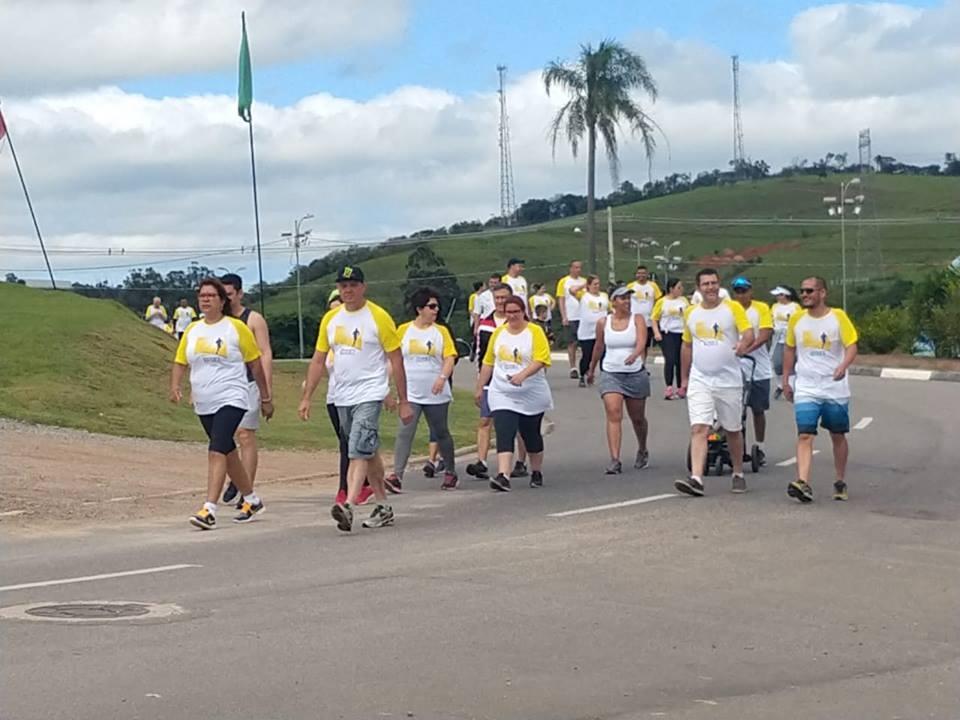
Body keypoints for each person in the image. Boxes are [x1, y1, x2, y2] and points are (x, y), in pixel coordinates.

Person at [298, 265, 413, 532]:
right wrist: (307, 397)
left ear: (363, 287)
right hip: (341, 394)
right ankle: (383, 506)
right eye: (343, 286)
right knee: (367, 449)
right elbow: (318, 360)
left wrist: (403, 399)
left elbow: (396, 359)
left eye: (353, 285)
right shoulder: (332, 319)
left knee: (357, 448)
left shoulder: (378, 317)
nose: (348, 290)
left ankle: (348, 504)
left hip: (370, 392)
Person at [169, 277, 273, 529]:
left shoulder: (235, 328)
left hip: (233, 396)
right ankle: (252, 498)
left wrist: (265, 396)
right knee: (227, 450)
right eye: (201, 296)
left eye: (211, 296)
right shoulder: (193, 330)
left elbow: (255, 363)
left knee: (216, 449)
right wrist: (175, 386)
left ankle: (209, 508)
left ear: (222, 300)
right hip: (205, 399)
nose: (205, 299)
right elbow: (181, 360)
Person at [676, 268, 754, 497]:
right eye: (706, 284)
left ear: (719, 286)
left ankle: (738, 472)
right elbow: (686, 345)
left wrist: (743, 345)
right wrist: (684, 377)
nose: (710, 288)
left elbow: (748, 333)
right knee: (699, 427)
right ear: (699, 287)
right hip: (701, 378)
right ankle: (697, 478)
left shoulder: (732, 308)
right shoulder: (691, 313)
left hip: (728, 379)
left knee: (732, 429)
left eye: (714, 283)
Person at [783, 277, 858, 503]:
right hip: (806, 386)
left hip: (833, 387)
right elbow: (789, 349)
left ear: (822, 293)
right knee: (805, 434)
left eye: (809, 291)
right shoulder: (796, 319)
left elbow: (852, 345)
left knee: (837, 435)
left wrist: (843, 366)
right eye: (802, 291)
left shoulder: (837, 317)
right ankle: (803, 482)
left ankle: (840, 480)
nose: (804, 295)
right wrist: (785, 380)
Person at [475, 295, 553, 491]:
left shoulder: (534, 332)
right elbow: (488, 361)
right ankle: (504, 475)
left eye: (516, 312)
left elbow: (541, 359)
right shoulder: (499, 333)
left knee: (530, 433)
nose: (512, 316)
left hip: (530, 391)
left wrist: (523, 375)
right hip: (502, 391)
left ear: (523, 311)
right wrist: (480, 387)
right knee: (504, 430)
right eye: (508, 312)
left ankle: (536, 471)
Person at [386, 288, 459, 491]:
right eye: (431, 306)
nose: (436, 310)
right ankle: (396, 475)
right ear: (419, 309)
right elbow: (394, 360)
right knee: (405, 432)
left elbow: (449, 358)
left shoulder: (441, 332)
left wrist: (442, 378)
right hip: (410, 392)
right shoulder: (403, 331)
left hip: (435, 392)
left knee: (440, 431)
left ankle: (450, 471)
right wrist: (386, 384)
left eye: (436, 306)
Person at [219, 274, 274, 507]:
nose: (226, 300)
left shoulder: (253, 320)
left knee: (245, 435)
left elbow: (265, 352)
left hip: (249, 383)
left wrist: (266, 391)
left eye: (229, 295)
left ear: (239, 294)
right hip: (223, 386)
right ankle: (236, 477)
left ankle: (246, 490)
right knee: (224, 438)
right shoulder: (216, 322)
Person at [586, 286, 651, 473]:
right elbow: (598, 346)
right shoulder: (603, 322)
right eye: (622, 298)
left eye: (629, 298)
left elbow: (641, 342)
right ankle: (615, 459)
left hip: (634, 372)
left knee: (637, 418)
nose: (627, 302)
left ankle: (642, 448)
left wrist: (635, 355)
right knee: (614, 413)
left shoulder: (637, 319)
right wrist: (591, 369)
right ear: (613, 302)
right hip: (611, 372)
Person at [324, 292, 375, 508]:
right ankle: (369, 483)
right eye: (333, 309)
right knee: (350, 444)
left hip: (362, 396)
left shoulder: (362, 332)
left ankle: (347, 491)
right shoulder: (330, 337)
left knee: (352, 445)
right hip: (336, 398)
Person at [466, 283, 512, 481]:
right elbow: (481, 354)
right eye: (498, 298)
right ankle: (482, 461)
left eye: (504, 298)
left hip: (513, 380)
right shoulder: (485, 323)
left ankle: (520, 461)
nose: (500, 302)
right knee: (485, 420)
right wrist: (479, 383)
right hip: (490, 380)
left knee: (514, 424)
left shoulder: (518, 322)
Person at [731, 276, 773, 466]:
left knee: (757, 409)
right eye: (738, 291)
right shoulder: (729, 309)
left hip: (758, 368)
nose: (741, 295)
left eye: (744, 291)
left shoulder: (761, 308)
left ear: (750, 291)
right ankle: (734, 445)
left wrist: (746, 349)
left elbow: (764, 334)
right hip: (733, 367)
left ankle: (759, 445)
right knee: (733, 411)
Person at [651, 279, 689, 399]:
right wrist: (656, 333)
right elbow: (654, 319)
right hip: (667, 333)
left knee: (680, 361)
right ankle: (668, 387)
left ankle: (680, 387)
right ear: (671, 289)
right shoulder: (662, 302)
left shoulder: (684, 301)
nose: (681, 289)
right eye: (678, 287)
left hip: (681, 333)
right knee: (670, 359)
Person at [573, 275, 609, 388]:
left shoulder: (604, 296)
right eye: (594, 284)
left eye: (598, 284)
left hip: (602, 330)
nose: (597, 286)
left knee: (604, 355)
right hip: (587, 332)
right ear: (589, 285)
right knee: (587, 355)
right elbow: (572, 290)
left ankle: (605, 377)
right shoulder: (584, 295)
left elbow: (610, 308)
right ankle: (583, 375)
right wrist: (584, 285)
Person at [556, 260, 588, 380]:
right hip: (571, 315)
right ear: (570, 268)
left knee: (585, 343)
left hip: (584, 316)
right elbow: (561, 299)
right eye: (575, 267)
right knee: (572, 342)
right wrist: (564, 316)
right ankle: (573, 367)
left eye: (579, 267)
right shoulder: (564, 282)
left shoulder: (584, 282)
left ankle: (586, 366)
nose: (578, 270)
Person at [770, 286, 801, 399]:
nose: (778, 297)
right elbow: (771, 320)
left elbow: (799, 320)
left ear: (786, 295)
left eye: (780, 295)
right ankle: (780, 385)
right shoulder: (774, 307)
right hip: (778, 339)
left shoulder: (795, 307)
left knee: (791, 364)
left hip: (791, 339)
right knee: (777, 364)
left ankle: (791, 388)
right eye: (777, 295)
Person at [627, 266, 662, 348]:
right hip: (634, 320)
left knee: (644, 345)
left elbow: (658, 301)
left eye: (643, 273)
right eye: (639, 273)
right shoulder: (630, 286)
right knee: (634, 344)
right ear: (636, 275)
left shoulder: (653, 286)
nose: (641, 275)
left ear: (647, 274)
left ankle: (643, 360)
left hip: (648, 321)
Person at [472, 273, 501, 337]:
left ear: (500, 283)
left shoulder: (504, 295)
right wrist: (476, 328)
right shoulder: (482, 296)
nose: (492, 285)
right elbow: (477, 313)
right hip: (487, 325)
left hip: (501, 324)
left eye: (495, 283)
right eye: (491, 282)